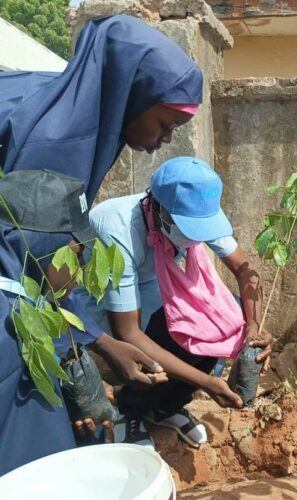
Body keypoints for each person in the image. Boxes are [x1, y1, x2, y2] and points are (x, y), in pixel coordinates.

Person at [74, 156, 272, 448]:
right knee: (177, 336)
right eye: (189, 227)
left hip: (153, 286)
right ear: (158, 207)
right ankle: (130, 411)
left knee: (231, 315)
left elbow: (246, 271)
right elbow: (127, 333)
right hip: (104, 301)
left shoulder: (195, 213)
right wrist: (206, 383)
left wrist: (253, 325)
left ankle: (165, 408)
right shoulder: (117, 230)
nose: (195, 238)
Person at [0, 169, 167, 475]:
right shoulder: (7, 335)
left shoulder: (28, 290)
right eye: (77, 257)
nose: (80, 273)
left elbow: (58, 302)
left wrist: (103, 345)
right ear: (35, 248)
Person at [0, 15, 203, 205]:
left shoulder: (87, 127)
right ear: (130, 95)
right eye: (167, 126)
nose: (167, 138)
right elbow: (24, 239)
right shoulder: (57, 147)